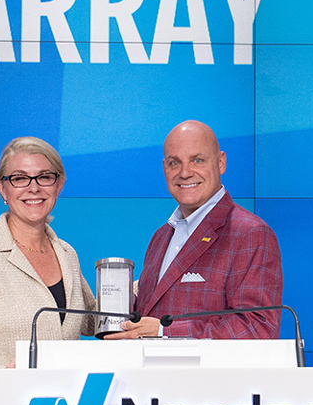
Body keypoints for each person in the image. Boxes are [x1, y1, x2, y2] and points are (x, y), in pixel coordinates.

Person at [110, 120, 282, 339]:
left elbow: (257, 328)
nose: (185, 172)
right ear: (164, 168)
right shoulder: (161, 237)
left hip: (210, 375)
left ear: (221, 163)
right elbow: (150, 315)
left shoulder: (250, 233)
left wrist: (165, 332)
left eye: (197, 160)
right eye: (174, 163)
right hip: (150, 373)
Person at [0, 136, 96, 368]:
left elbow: (91, 321)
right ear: (3, 189)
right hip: (0, 401)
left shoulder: (66, 253)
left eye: (44, 177)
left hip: (62, 401)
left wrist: (146, 284)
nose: (34, 188)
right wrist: (4, 379)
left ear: (58, 185)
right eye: (20, 178)